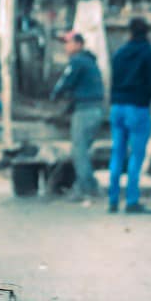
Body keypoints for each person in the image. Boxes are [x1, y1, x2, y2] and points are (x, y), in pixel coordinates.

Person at [107, 17, 151, 214]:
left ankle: (113, 200)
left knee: (117, 153)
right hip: (137, 108)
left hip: (117, 108)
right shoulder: (148, 53)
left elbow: (113, 80)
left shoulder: (119, 54)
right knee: (136, 156)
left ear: (130, 32)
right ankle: (132, 201)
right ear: (147, 32)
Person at [50, 31, 105, 199]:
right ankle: (88, 184)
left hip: (85, 111)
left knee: (79, 151)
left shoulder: (77, 61)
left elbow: (66, 83)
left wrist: (54, 95)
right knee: (82, 151)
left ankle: (86, 188)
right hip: (94, 110)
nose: (66, 47)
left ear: (79, 44)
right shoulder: (89, 61)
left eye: (69, 42)